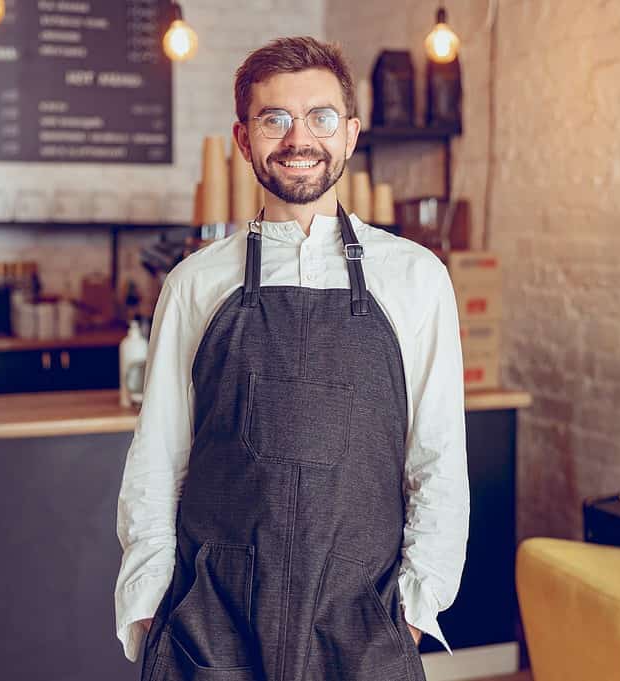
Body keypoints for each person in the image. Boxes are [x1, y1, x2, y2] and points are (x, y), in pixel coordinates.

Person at [115, 36, 469, 681]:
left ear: (351, 134)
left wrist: (418, 606)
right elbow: (158, 457)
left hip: (363, 614)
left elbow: (439, 458)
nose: (298, 138)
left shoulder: (416, 278)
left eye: (320, 117)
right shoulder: (194, 283)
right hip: (212, 614)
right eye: (273, 118)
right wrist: (146, 598)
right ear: (244, 139)